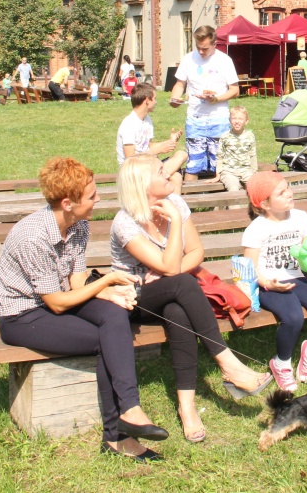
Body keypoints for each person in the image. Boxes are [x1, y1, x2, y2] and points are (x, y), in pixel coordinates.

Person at [0, 157, 168, 462]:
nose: (98, 199)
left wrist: (111, 293)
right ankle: (117, 434)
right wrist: (109, 280)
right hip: (23, 316)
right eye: (91, 196)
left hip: (58, 301)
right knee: (107, 338)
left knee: (114, 314)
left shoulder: (79, 225)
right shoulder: (34, 236)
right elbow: (56, 303)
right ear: (67, 203)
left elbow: (76, 281)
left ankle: (129, 411)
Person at [110, 154, 273, 443]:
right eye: (161, 171)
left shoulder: (176, 203)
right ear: (143, 184)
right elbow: (171, 267)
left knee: (178, 311)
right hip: (133, 297)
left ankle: (187, 408)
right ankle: (228, 364)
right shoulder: (125, 223)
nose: (169, 174)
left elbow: (196, 253)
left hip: (172, 291)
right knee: (183, 282)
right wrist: (173, 231)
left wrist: (169, 267)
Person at [242, 172, 307, 392]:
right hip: (270, 284)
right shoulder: (257, 228)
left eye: (288, 187)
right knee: (293, 317)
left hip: (298, 277)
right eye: (281, 192)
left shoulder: (300, 217)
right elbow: (251, 268)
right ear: (264, 204)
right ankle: (281, 363)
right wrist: (268, 283)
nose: (289, 193)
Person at [169, 26, 240, 181]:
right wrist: (175, 99)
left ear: (215, 44)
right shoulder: (188, 59)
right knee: (193, 164)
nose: (201, 52)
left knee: (220, 165)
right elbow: (179, 84)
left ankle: (220, 197)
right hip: (195, 119)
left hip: (218, 119)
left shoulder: (224, 60)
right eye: (198, 47)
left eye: (205, 49)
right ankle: (191, 196)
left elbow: (235, 90)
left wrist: (216, 99)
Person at [116, 83, 186, 193]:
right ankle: (160, 176)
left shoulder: (147, 119)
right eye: (155, 98)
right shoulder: (129, 124)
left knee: (181, 158)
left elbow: (148, 146)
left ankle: (162, 181)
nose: (156, 102)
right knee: (175, 176)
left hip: (149, 166)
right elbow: (130, 158)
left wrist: (170, 142)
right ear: (147, 100)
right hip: (134, 172)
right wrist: (156, 151)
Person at [215, 105, 257, 192]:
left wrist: (254, 172)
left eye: (240, 119)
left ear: (246, 121)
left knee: (255, 187)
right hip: (229, 171)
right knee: (233, 189)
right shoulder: (225, 136)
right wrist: (218, 173)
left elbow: (253, 155)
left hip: (246, 171)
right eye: (234, 118)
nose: (237, 121)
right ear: (229, 120)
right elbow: (219, 156)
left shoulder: (250, 136)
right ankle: (234, 201)